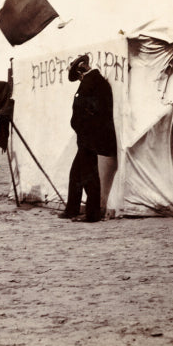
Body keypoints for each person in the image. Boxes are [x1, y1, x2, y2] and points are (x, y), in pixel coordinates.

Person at [59, 54, 117, 223]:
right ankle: (72, 209)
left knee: (89, 175)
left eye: (78, 74)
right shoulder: (94, 82)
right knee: (76, 174)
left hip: (90, 137)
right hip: (87, 137)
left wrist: (82, 127)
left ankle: (92, 214)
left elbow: (92, 111)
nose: (79, 78)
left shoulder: (93, 83)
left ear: (83, 66)